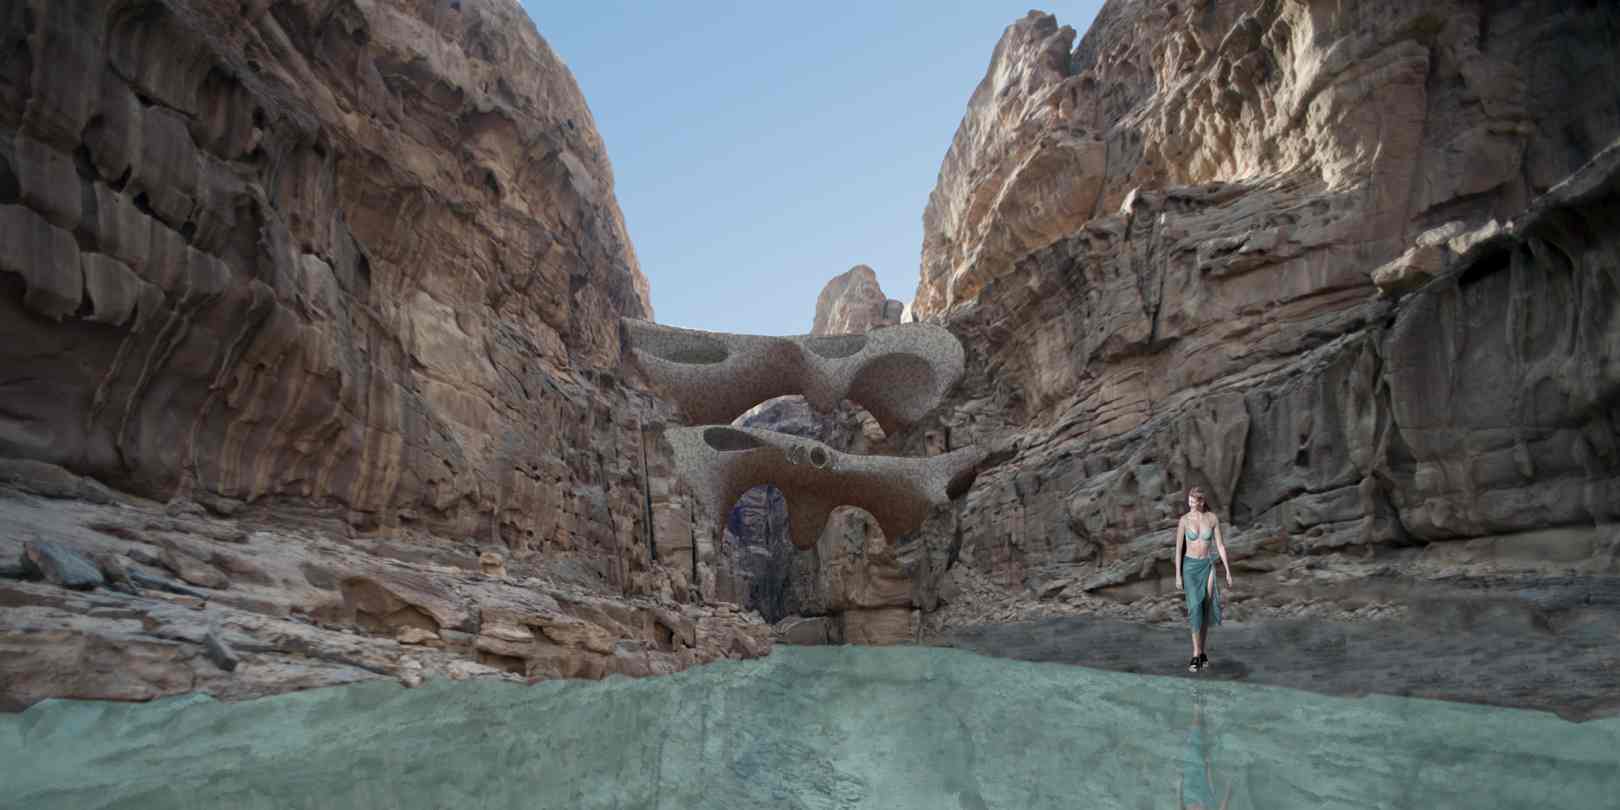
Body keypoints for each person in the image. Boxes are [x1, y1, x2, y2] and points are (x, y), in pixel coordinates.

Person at [1174, 486, 1232, 672]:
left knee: (1205, 608)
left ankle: (1202, 652)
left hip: (1207, 565)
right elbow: (1179, 550)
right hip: (1190, 567)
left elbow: (1220, 545)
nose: (1192, 504)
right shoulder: (1184, 520)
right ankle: (1195, 654)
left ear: (1202, 501)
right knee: (1194, 608)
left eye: (1195, 501)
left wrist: (1228, 570)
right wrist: (1178, 574)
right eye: (1190, 500)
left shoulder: (1212, 518)